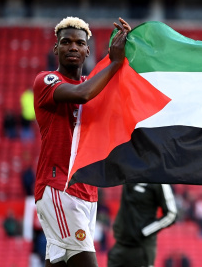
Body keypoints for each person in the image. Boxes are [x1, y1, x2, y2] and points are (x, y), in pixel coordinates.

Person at [33, 16, 130, 266]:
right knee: (86, 261)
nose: (72, 47)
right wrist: (115, 61)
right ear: (56, 48)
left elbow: (121, 91)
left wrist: (129, 48)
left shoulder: (93, 84)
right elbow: (82, 95)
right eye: (65, 42)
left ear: (88, 50)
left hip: (88, 190)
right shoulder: (47, 80)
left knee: (61, 261)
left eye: (79, 43)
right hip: (59, 187)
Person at [108, 183, 177, 267]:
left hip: (141, 248)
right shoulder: (129, 172)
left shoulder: (159, 181)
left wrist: (145, 231)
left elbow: (172, 214)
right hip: (120, 245)